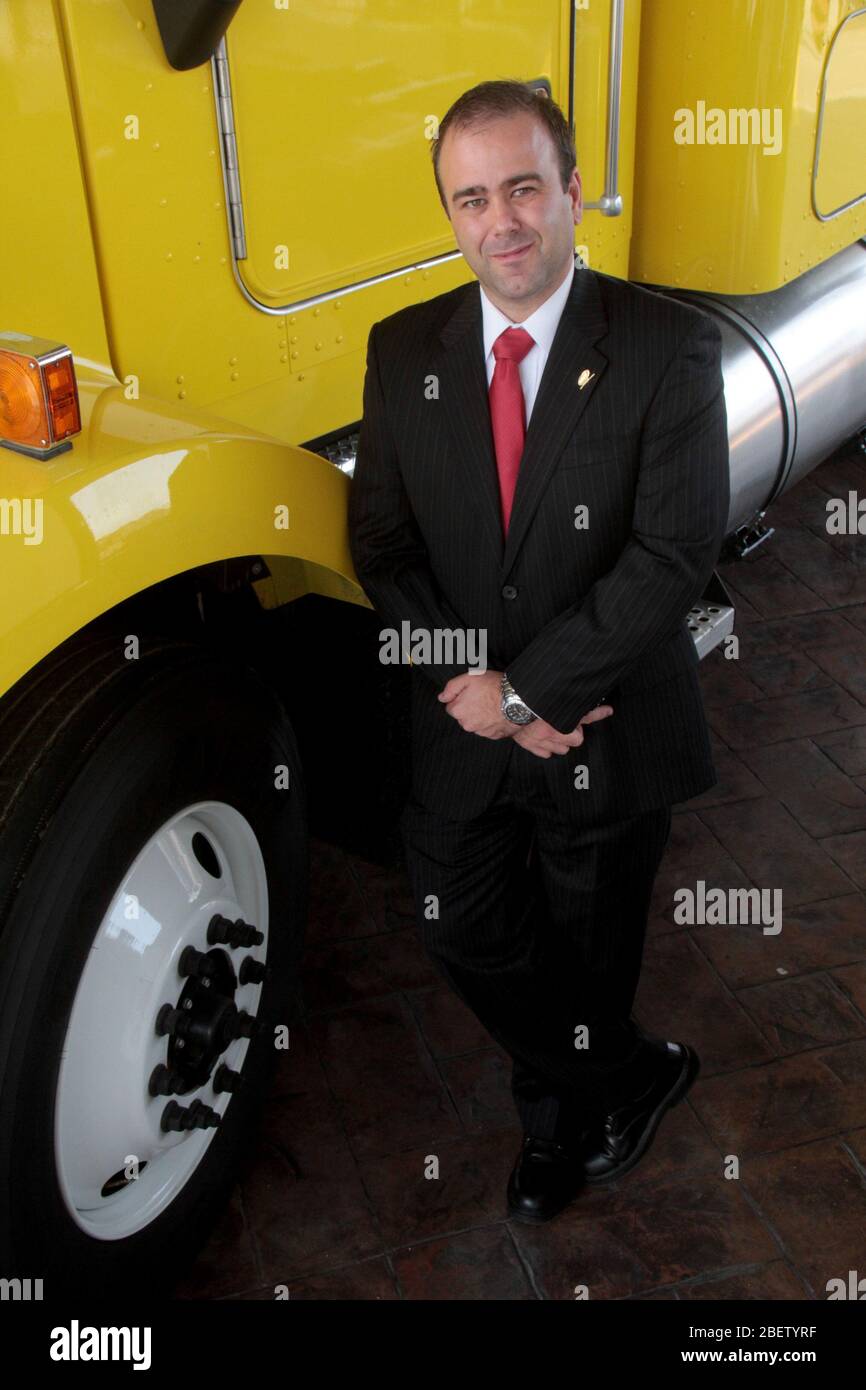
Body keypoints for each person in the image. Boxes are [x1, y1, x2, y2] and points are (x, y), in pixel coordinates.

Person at [347, 79, 730, 1222]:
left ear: (570, 192)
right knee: (458, 920)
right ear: (450, 215)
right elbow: (383, 549)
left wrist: (538, 691)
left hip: (605, 730)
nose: (499, 222)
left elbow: (670, 552)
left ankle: (559, 1124)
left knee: (587, 940)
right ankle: (625, 1074)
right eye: (470, 199)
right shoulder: (401, 348)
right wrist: (479, 690)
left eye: (522, 188)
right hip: (465, 722)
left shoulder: (665, 347)